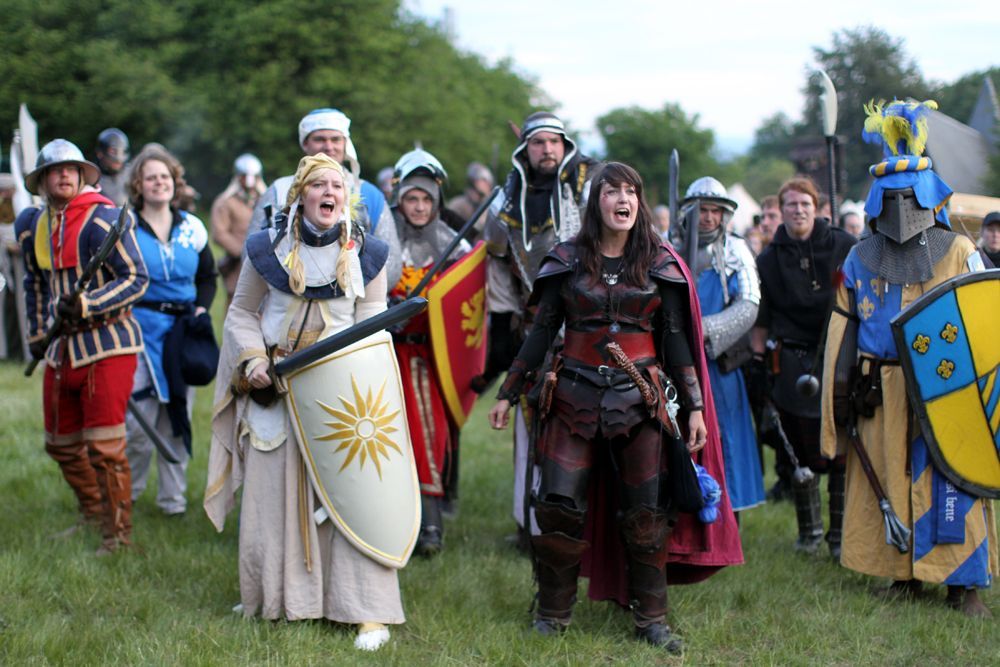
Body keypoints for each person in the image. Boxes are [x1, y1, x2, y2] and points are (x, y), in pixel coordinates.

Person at [488, 162, 742, 652]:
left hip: (641, 400)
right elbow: (542, 331)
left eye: (631, 190)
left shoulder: (659, 263)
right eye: (612, 191)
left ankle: (652, 620)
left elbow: (675, 339)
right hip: (572, 396)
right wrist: (508, 391)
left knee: (648, 512)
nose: (622, 199)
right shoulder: (566, 259)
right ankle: (552, 613)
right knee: (558, 507)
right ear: (596, 202)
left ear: (639, 202)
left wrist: (693, 407)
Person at [204, 154, 401, 651]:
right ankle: (277, 598)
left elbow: (372, 322)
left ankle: (366, 611)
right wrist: (254, 360)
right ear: (300, 195)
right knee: (272, 498)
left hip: (342, 398)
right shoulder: (265, 250)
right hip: (276, 388)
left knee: (354, 500)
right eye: (319, 185)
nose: (329, 192)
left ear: (346, 197)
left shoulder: (368, 254)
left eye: (337, 185)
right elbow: (241, 313)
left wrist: (350, 371)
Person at [821, 100, 997, 617]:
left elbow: (985, 319)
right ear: (877, 202)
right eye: (891, 198)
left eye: (909, 197)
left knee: (953, 480)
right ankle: (904, 575)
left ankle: (964, 584)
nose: (900, 208)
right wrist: (841, 392)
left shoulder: (959, 253)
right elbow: (843, 327)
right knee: (890, 478)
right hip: (881, 387)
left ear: (928, 197)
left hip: (947, 387)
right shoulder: (858, 258)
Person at [14, 139, 148, 554]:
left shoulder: (103, 218)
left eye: (70, 169)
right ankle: (93, 513)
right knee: (61, 444)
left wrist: (89, 303)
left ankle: (117, 535)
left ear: (81, 174)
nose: (64, 175)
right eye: (54, 171)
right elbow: (35, 283)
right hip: (60, 349)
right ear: (42, 182)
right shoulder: (34, 226)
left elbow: (135, 278)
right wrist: (37, 335)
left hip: (108, 344)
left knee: (105, 447)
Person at [481, 111, 599, 544]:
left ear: (565, 145)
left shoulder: (589, 188)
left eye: (554, 141)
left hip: (590, 327)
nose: (547, 149)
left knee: (587, 423)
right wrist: (507, 320)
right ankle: (530, 524)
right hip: (535, 327)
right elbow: (496, 259)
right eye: (538, 142)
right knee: (530, 423)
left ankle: (588, 526)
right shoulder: (506, 200)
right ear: (525, 150)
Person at [750, 177, 856, 556]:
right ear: (781, 210)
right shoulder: (768, 260)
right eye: (791, 205)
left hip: (838, 356)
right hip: (791, 361)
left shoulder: (844, 247)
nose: (798, 211)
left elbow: (859, 298)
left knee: (841, 449)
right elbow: (762, 318)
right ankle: (809, 534)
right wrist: (758, 364)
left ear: (817, 208)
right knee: (798, 450)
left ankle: (840, 537)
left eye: (805, 204)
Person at [125, 146, 217, 516]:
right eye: (151, 177)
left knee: (178, 416)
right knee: (138, 420)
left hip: (181, 332)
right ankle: (127, 494)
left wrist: (201, 308)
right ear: (138, 185)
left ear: (174, 182)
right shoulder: (125, 228)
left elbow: (207, 276)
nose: (159, 183)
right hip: (138, 331)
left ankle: (172, 500)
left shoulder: (192, 227)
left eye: (164, 176)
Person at [388, 149, 470, 556]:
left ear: (436, 202)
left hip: (429, 359)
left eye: (425, 199)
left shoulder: (455, 246)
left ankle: (431, 523)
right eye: (411, 199)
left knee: (428, 436)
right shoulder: (383, 241)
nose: (419, 207)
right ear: (399, 200)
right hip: (386, 356)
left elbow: (467, 303)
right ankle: (390, 519)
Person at [683, 177, 765, 514]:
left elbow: (748, 304)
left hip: (719, 361)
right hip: (678, 361)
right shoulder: (668, 246)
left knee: (726, 437)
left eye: (715, 211)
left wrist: (704, 331)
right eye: (702, 210)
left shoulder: (736, 249)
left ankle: (729, 512)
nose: (708, 217)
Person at [248, 108, 401, 288]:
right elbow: (253, 255)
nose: (329, 147)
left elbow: (390, 265)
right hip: (285, 293)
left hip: (351, 300)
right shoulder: (278, 191)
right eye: (320, 139)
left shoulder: (369, 194)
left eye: (335, 139)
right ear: (305, 144)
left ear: (345, 143)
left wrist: (349, 289)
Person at [211, 153, 265, 307]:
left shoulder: (266, 200)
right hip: (237, 265)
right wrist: (244, 252)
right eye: (244, 176)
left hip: (264, 263)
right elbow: (219, 234)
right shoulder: (225, 202)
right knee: (236, 307)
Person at [446, 161, 495, 240]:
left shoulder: (490, 207)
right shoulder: (458, 205)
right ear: (473, 181)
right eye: (483, 180)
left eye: (488, 181)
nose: (487, 184)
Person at [95, 128, 130, 207]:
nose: (118, 160)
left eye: (123, 151)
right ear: (100, 153)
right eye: (113, 151)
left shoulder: (132, 174)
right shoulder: (92, 179)